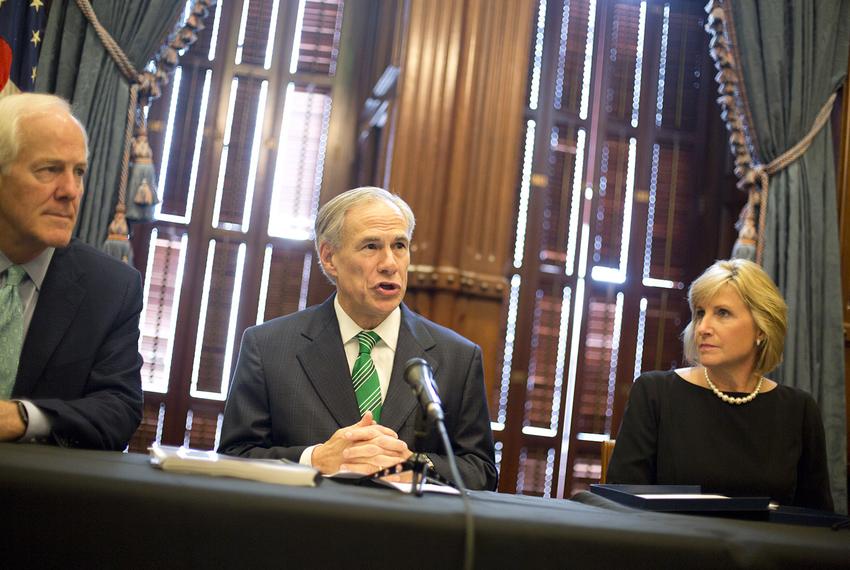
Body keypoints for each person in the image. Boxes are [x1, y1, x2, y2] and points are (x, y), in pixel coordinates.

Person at [219, 187, 497, 490]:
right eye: (371, 246)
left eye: (400, 246)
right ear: (329, 258)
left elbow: (481, 471)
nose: (390, 263)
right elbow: (234, 458)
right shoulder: (268, 347)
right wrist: (315, 458)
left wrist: (416, 466)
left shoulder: (457, 356)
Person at [607, 259, 833, 511]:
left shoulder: (799, 410)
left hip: (764, 551)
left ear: (761, 329)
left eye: (722, 313)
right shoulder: (654, 393)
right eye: (700, 313)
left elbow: (818, 521)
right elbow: (620, 505)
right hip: (673, 548)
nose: (702, 328)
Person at [0, 93, 143, 450]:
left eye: (78, 172)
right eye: (49, 170)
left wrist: (23, 418)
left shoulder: (110, 288)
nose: (70, 191)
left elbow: (118, 410)